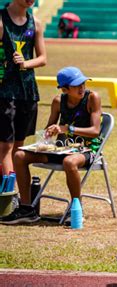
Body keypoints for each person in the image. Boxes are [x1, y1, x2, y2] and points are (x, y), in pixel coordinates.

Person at [0, 67, 102, 224]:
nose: (82, 87)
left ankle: (76, 208)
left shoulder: (92, 98)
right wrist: (47, 136)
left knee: (70, 162)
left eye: (83, 83)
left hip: (88, 151)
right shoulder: (58, 101)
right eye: (76, 85)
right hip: (62, 150)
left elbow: (95, 131)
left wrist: (67, 128)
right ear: (64, 89)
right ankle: (27, 209)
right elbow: (49, 129)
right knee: (19, 155)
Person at [0, 0, 47, 181]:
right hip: (4, 92)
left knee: (19, 146)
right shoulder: (2, 20)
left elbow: (42, 58)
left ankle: (18, 198)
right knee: (5, 146)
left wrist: (25, 63)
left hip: (27, 92)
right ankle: (9, 196)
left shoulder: (35, 24)